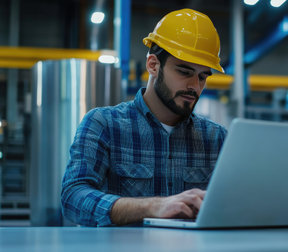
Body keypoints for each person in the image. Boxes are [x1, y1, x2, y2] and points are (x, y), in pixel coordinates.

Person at [61, 8, 227, 227]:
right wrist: (153, 207)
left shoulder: (216, 139)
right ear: (153, 65)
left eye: (202, 77)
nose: (194, 86)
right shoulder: (103, 124)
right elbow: (73, 197)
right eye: (184, 72)